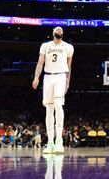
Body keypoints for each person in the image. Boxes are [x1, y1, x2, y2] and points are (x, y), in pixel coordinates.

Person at [32, 26, 74, 154]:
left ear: (63, 34)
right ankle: (50, 143)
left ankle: (59, 142)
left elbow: (69, 67)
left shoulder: (68, 47)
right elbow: (40, 63)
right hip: (48, 77)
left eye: (61, 29)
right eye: (57, 29)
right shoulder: (45, 46)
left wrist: (67, 82)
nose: (59, 30)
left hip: (61, 76)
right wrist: (36, 77)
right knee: (49, 109)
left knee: (58, 106)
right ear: (53, 33)